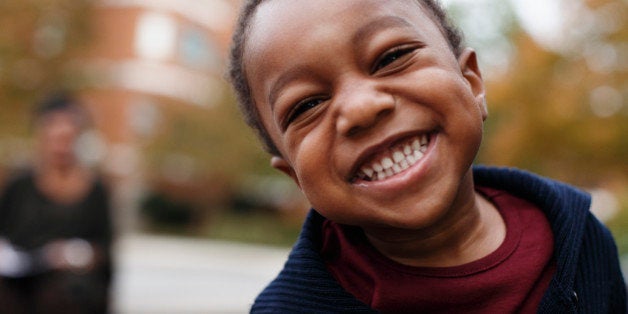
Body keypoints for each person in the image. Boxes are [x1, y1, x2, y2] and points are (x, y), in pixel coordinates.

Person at [228, 0, 627, 313]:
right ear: (295, 177)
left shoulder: (582, 242)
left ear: (472, 84)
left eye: (391, 57)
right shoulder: (287, 307)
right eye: (307, 105)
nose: (362, 108)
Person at [0, 92, 113, 314]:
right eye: (54, 137)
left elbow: (106, 250)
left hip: (70, 288)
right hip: (18, 284)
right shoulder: (19, 186)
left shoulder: (95, 190)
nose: (61, 146)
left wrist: (77, 255)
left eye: (67, 138)